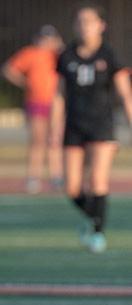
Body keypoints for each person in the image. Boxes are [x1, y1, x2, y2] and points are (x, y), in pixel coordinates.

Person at [55, 3, 132, 254]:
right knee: (72, 187)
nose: (83, 26)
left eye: (89, 21)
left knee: (98, 180)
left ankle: (97, 233)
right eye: (79, 21)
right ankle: (92, 217)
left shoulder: (109, 56)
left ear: (101, 26)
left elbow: (126, 95)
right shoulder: (66, 56)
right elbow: (60, 96)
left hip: (101, 125)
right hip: (74, 124)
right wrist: (55, 127)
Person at [3, 25, 65, 194]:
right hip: (36, 102)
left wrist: (59, 46)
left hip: (56, 103)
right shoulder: (30, 53)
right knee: (38, 141)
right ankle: (33, 177)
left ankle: (56, 177)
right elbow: (9, 69)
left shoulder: (58, 55)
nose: (47, 41)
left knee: (55, 140)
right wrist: (25, 82)